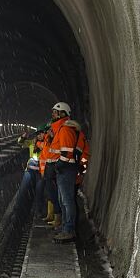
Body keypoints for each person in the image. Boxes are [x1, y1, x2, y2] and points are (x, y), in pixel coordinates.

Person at [41, 102, 86, 243]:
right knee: (62, 200)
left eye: (55, 112)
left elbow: (66, 152)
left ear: (62, 114)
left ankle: (69, 230)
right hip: (64, 169)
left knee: (67, 201)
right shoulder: (60, 128)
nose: (53, 114)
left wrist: (58, 165)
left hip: (66, 169)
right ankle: (66, 228)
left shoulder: (65, 129)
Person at [17, 127, 47, 219]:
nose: (39, 135)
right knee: (23, 190)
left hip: (40, 172)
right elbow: (20, 143)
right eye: (38, 134)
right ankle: (20, 211)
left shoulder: (46, 143)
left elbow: (45, 148)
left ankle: (39, 211)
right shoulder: (31, 143)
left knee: (39, 192)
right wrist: (23, 137)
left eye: (41, 133)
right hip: (29, 171)